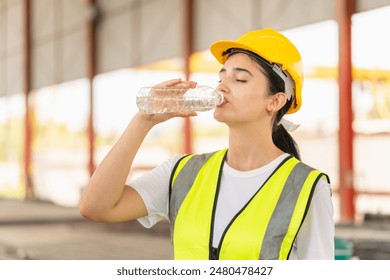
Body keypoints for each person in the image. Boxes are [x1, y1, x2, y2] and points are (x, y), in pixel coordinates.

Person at [79, 28, 334, 260]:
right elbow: (96, 207)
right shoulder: (182, 173)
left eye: (240, 80)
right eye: (221, 78)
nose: (222, 87)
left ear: (275, 102)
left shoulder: (308, 188)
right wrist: (143, 120)